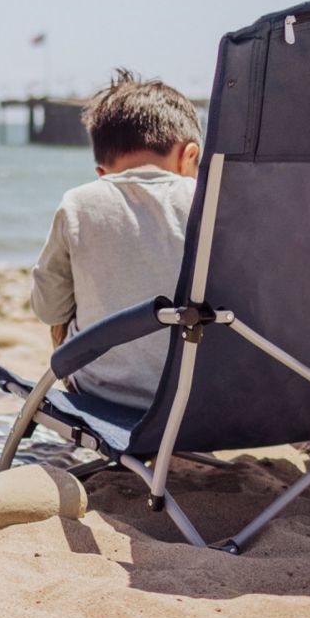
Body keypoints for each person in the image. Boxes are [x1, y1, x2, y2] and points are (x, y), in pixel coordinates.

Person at [31, 70, 203, 410]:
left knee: (66, 297)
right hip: (204, 400)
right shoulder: (213, 201)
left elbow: (48, 307)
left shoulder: (79, 202)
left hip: (103, 398)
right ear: (190, 156)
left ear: (101, 173)